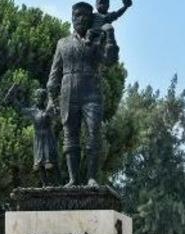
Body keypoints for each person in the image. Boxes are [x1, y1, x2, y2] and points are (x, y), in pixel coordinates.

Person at [47, 2, 118, 186]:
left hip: (91, 92)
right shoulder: (62, 43)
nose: (80, 18)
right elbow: (55, 73)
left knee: (94, 133)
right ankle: (72, 179)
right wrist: (50, 98)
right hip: (68, 92)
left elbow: (110, 61)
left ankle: (92, 177)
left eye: (84, 15)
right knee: (70, 136)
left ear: (90, 18)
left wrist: (110, 36)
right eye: (77, 15)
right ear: (72, 18)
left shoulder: (96, 40)